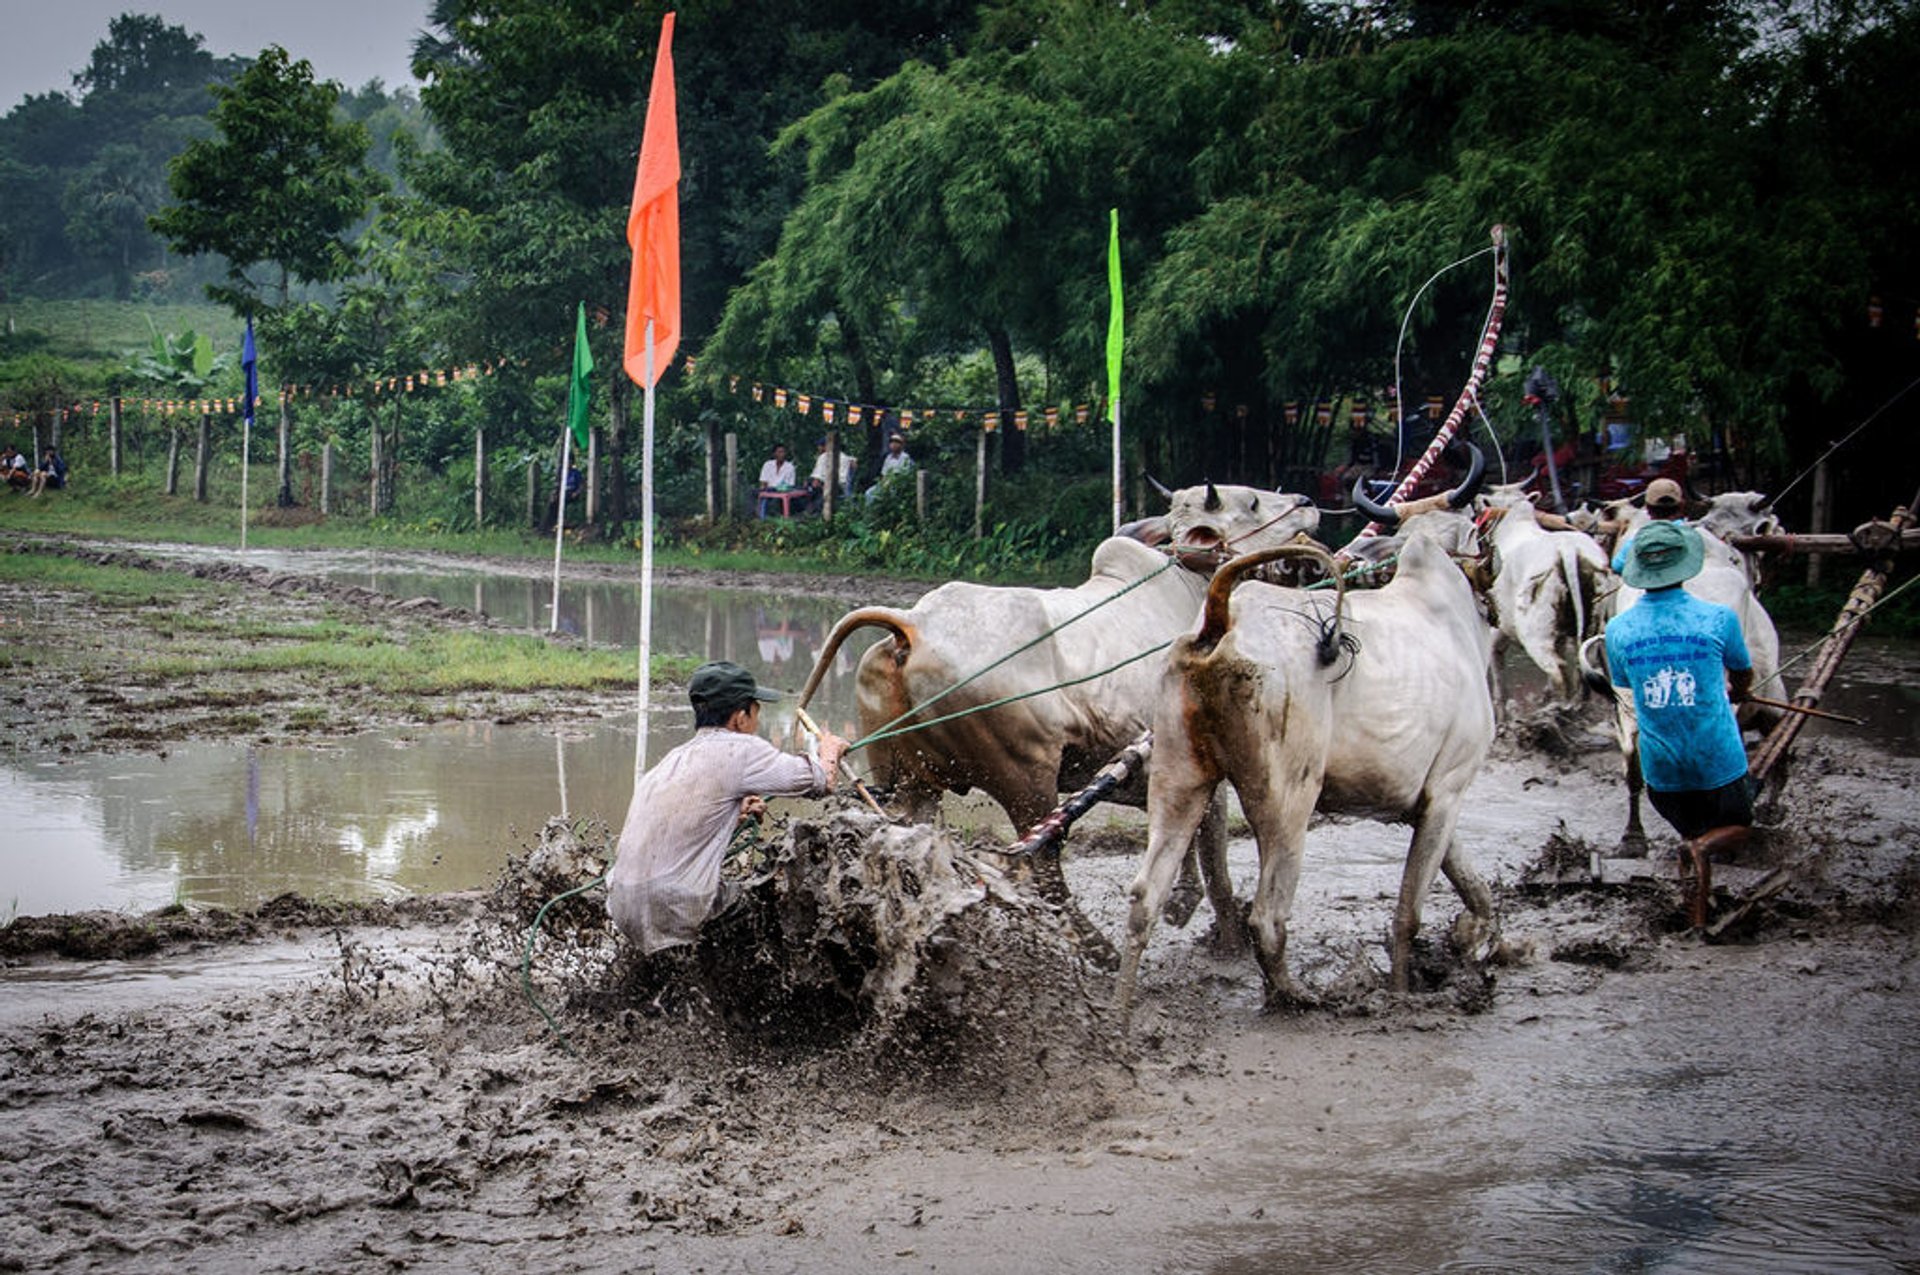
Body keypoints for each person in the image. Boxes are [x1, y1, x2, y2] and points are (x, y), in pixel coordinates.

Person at [607, 661, 849, 956]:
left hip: (622, 904)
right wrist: (830, 749)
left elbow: (678, 823)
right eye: (756, 711)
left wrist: (733, 814)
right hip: (675, 904)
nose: (757, 722)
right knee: (774, 902)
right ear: (740, 717)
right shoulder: (742, 749)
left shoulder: (669, 762)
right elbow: (822, 781)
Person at [1603, 520, 1754, 926]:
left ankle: (1697, 918)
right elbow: (1743, 674)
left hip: (1662, 769)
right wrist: (1739, 693)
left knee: (1688, 835)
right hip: (1716, 758)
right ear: (1687, 565)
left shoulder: (1616, 630)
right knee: (1739, 827)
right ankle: (1702, 852)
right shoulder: (1719, 619)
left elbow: (1625, 684)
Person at [1610, 476, 1687, 572]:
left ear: (1648, 509)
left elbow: (1617, 565)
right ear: (1681, 506)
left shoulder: (1640, 538)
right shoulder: (1695, 537)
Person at [806, 436, 857, 511]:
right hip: (845, 486)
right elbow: (853, 461)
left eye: (820, 446)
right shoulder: (843, 456)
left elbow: (816, 480)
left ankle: (812, 509)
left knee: (811, 486)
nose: (818, 448)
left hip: (833, 487)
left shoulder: (823, 457)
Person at [865, 433, 913, 502]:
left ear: (901, 444)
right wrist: (883, 483)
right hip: (885, 483)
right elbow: (884, 474)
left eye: (897, 442)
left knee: (888, 495)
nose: (893, 444)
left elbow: (902, 475)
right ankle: (871, 512)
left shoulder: (905, 457)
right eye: (892, 441)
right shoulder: (888, 457)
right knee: (868, 493)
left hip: (897, 485)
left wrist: (890, 482)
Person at [757, 443, 798, 518]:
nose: (782, 454)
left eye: (783, 452)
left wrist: (780, 490)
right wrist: (764, 491)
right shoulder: (767, 464)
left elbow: (790, 485)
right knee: (754, 495)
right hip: (768, 490)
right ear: (774, 454)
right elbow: (763, 482)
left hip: (781, 492)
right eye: (779, 452)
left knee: (776, 502)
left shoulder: (790, 467)